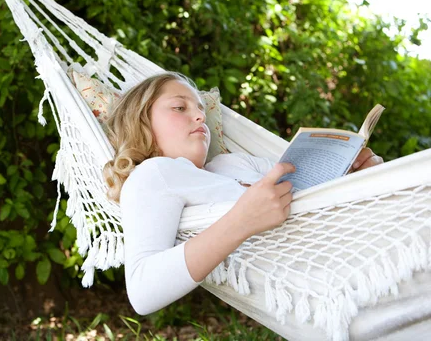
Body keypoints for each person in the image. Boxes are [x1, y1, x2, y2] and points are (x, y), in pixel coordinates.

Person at [102, 72, 383, 315]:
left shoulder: (233, 162)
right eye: (179, 107)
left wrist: (358, 173)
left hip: (356, 244)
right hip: (335, 278)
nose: (200, 115)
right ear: (141, 122)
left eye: (200, 108)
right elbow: (142, 291)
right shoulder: (154, 174)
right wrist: (242, 220)